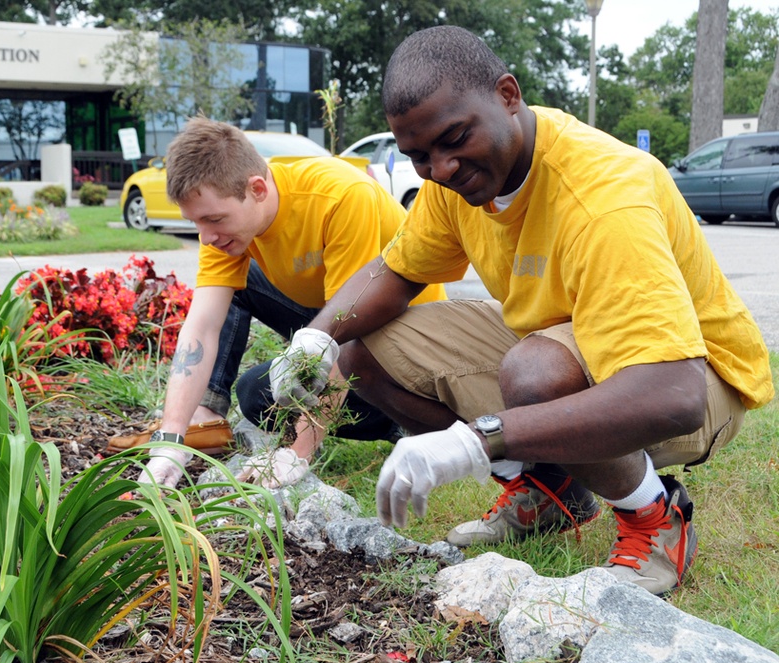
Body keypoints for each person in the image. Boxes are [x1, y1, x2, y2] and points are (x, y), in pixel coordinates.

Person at [268, 25, 774, 596]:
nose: (441, 169)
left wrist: (476, 441)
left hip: (699, 377)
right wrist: (315, 338)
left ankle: (655, 517)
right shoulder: (453, 181)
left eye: (454, 139)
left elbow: (673, 395)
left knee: (533, 374)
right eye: (418, 156)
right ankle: (547, 492)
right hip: (567, 344)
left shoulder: (604, 195)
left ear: (508, 95)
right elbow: (398, 271)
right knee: (365, 350)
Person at [139, 116, 445, 488]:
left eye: (213, 219)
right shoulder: (228, 229)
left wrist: (298, 452)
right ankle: (207, 411)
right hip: (329, 319)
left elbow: (347, 329)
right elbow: (202, 325)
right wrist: (171, 442)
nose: (205, 238)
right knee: (257, 396)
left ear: (257, 189)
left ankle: (412, 418)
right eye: (195, 223)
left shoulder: (342, 198)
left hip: (403, 339)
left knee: (271, 392)